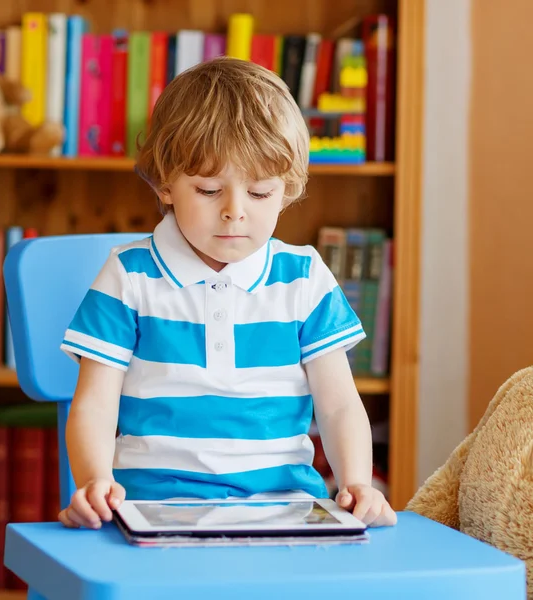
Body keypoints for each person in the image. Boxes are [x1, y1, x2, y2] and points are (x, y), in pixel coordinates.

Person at [58, 57, 397, 530]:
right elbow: (94, 403)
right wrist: (93, 482)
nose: (234, 213)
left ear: (288, 189)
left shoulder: (305, 277)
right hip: (151, 509)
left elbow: (339, 403)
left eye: (259, 193)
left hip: (287, 509)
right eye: (209, 189)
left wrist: (358, 482)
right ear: (166, 183)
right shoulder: (128, 275)